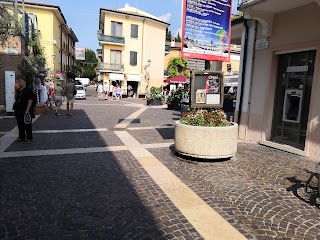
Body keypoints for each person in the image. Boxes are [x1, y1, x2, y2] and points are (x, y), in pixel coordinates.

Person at [13, 77, 34, 144]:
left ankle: (29, 138)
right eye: (19, 81)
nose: (20, 83)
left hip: (25, 110)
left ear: (24, 82)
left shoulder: (27, 90)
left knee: (27, 123)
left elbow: (30, 100)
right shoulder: (18, 90)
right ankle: (21, 137)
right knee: (20, 124)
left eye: (21, 81)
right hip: (18, 110)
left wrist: (27, 110)